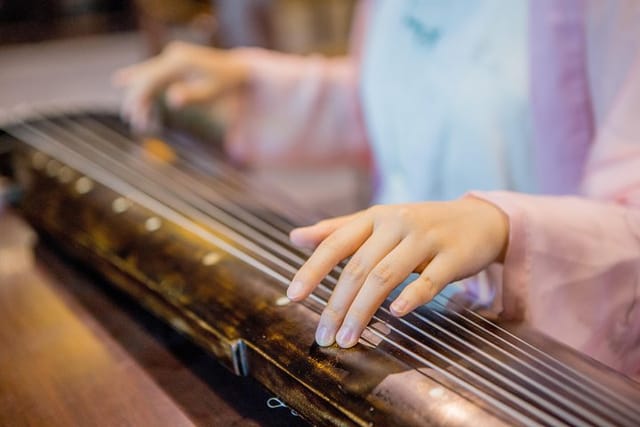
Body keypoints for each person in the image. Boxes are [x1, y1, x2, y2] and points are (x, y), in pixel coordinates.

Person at [115, 0, 640, 377]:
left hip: (543, 356)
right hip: (410, 321)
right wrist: (251, 81)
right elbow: (409, 103)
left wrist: (499, 225)